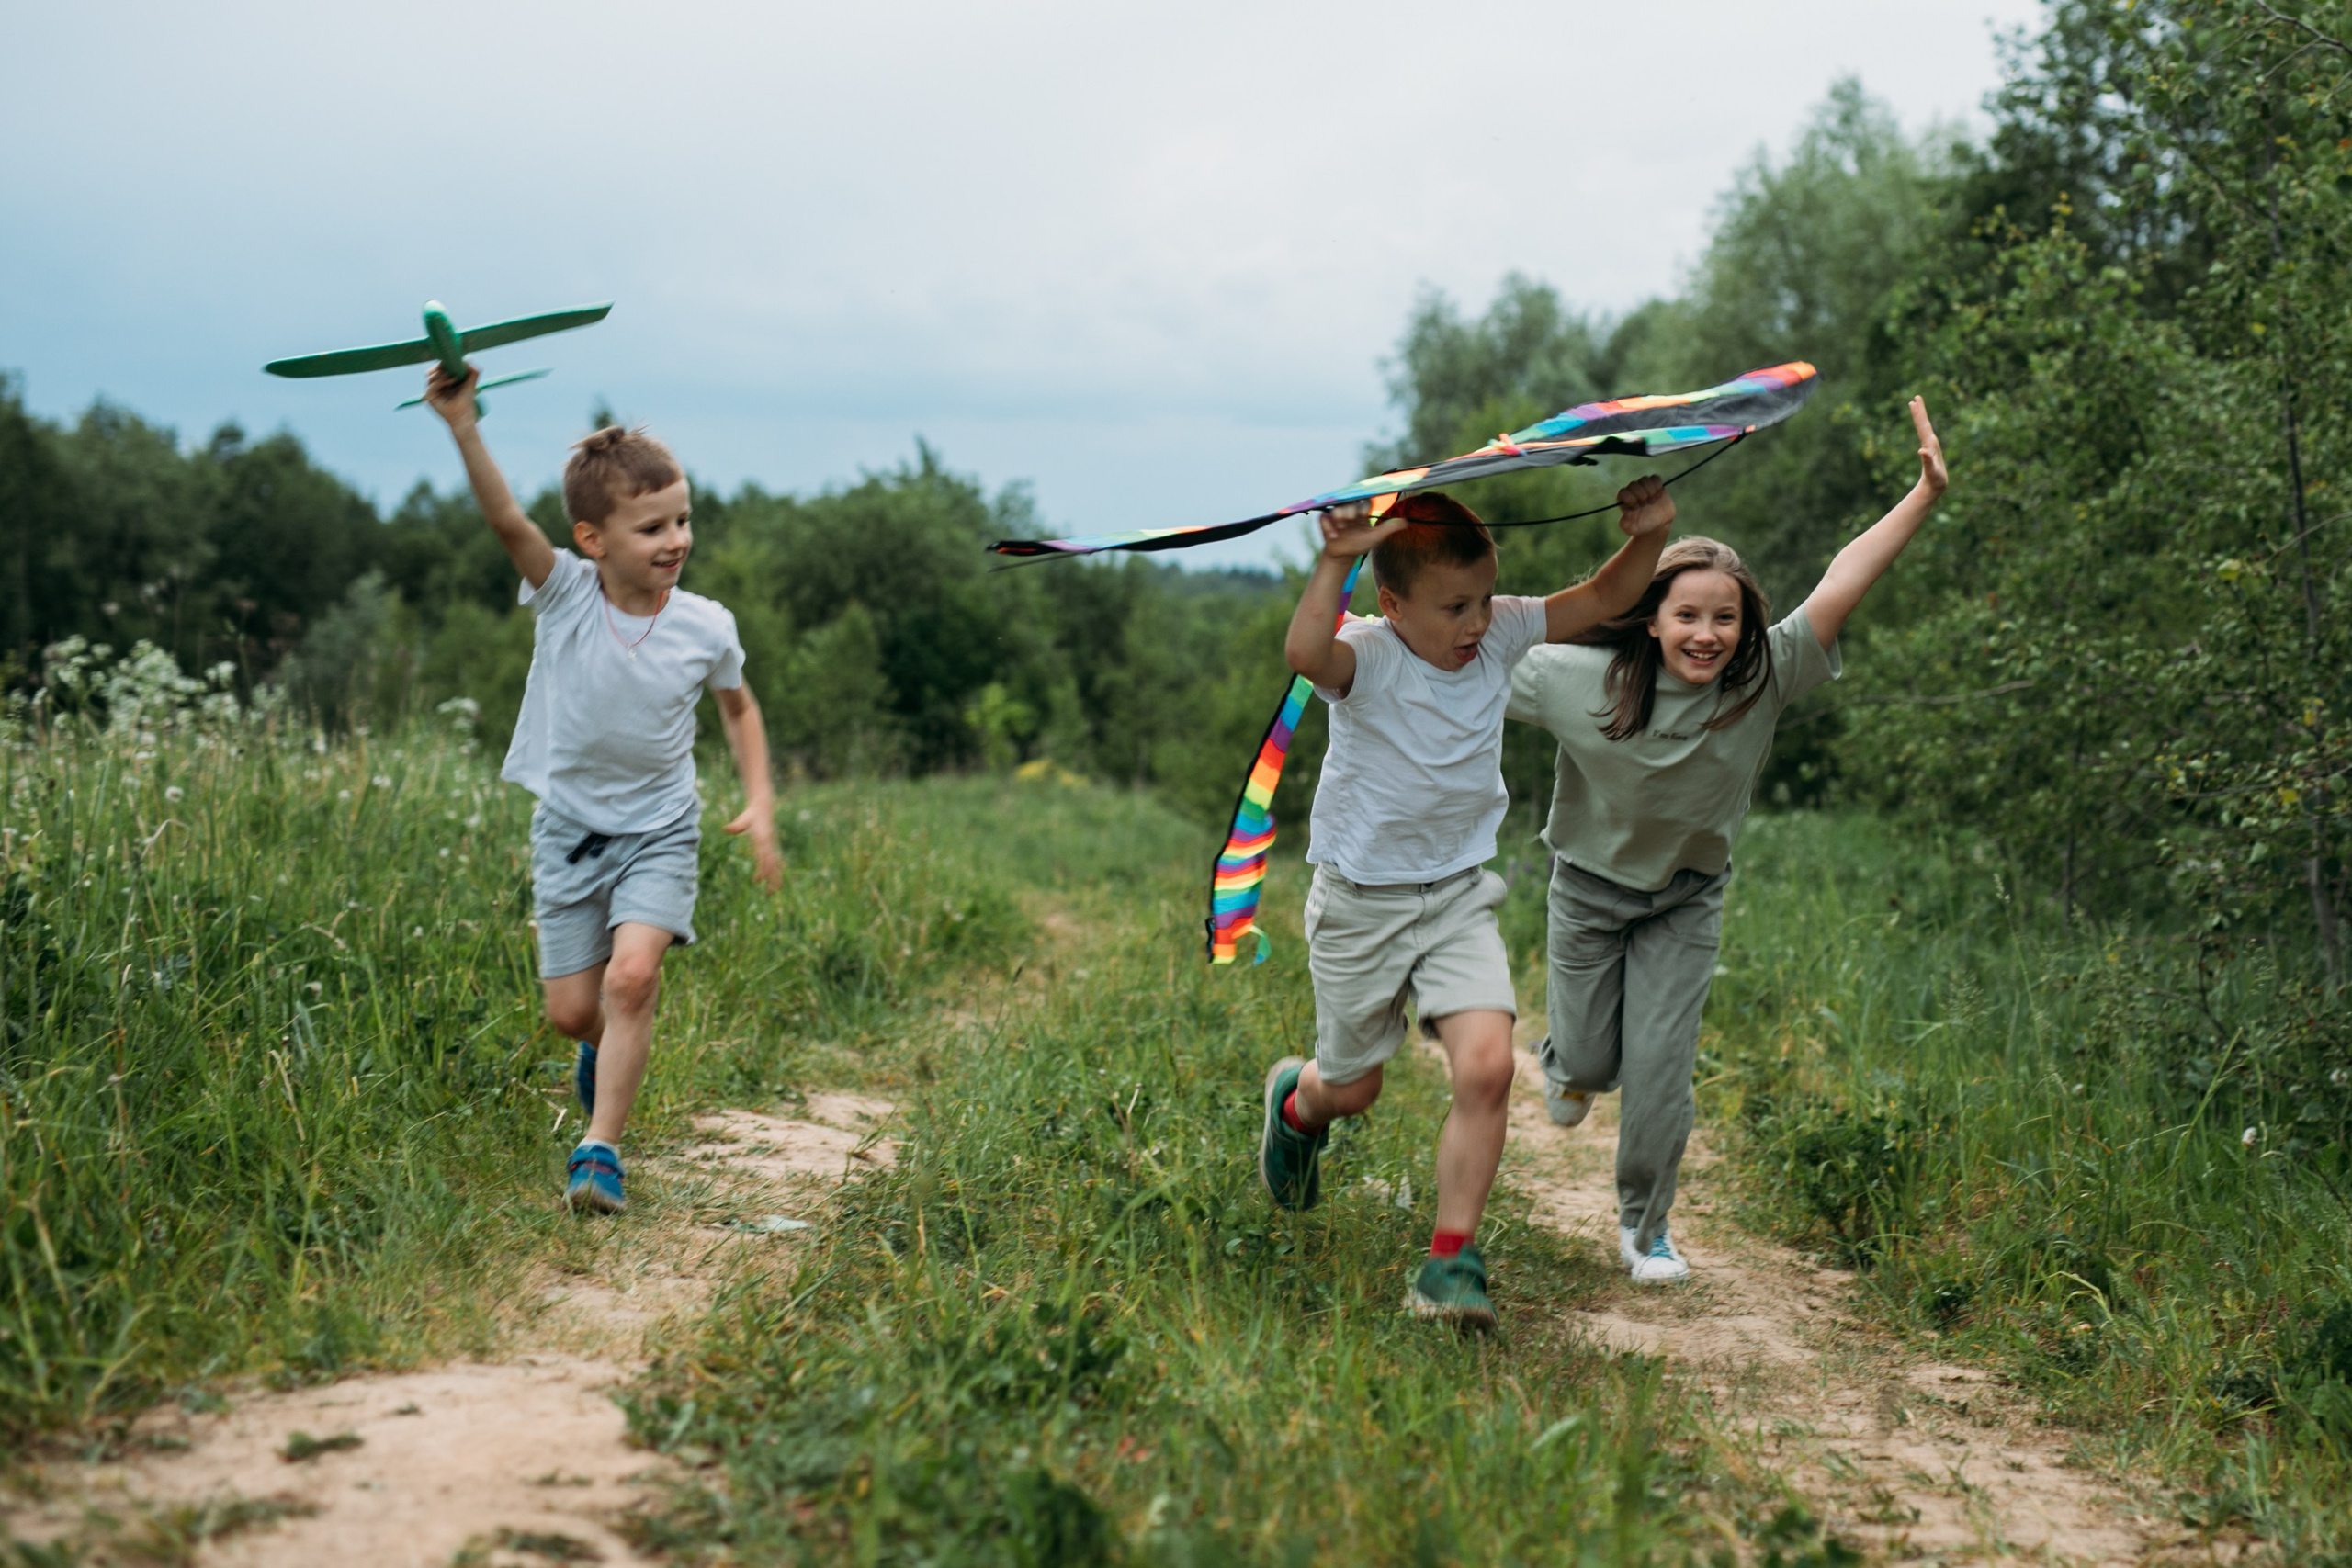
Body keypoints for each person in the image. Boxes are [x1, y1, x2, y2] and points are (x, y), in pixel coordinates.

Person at [1509, 398, 1949, 1283]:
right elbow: (1458, 649)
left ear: (1747, 626)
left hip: (1685, 898)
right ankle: (1566, 1062)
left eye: (1725, 618)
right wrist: (1353, 628)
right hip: (1588, 893)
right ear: (1651, 619)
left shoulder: (1767, 676)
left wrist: (1924, 494)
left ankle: (1647, 1228)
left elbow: (1843, 578)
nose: (1707, 634)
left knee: (1663, 1066)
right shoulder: (1572, 676)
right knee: (1593, 1060)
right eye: (1687, 616)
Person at [1258, 479, 1675, 1329]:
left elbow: (1603, 598)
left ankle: (1451, 1264)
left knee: (1487, 1064)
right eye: (1455, 607)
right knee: (1355, 1086)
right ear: (1391, 604)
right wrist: (1334, 557)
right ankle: (1297, 1106)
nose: (1479, 622)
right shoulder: (1367, 654)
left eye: (1485, 598)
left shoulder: (1502, 633)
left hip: (1454, 894)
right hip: (1359, 903)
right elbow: (1307, 653)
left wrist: (1649, 537)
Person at [424, 365, 783, 1215]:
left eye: (683, 520)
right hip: (568, 830)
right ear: (593, 540)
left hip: (661, 828)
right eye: (652, 526)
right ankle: (606, 1050)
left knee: (632, 982)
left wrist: (761, 798)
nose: (676, 540)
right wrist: (463, 426)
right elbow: (506, 519)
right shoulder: (565, 596)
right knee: (571, 1012)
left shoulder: (705, 623)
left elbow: (739, 708)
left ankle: (600, 1151)